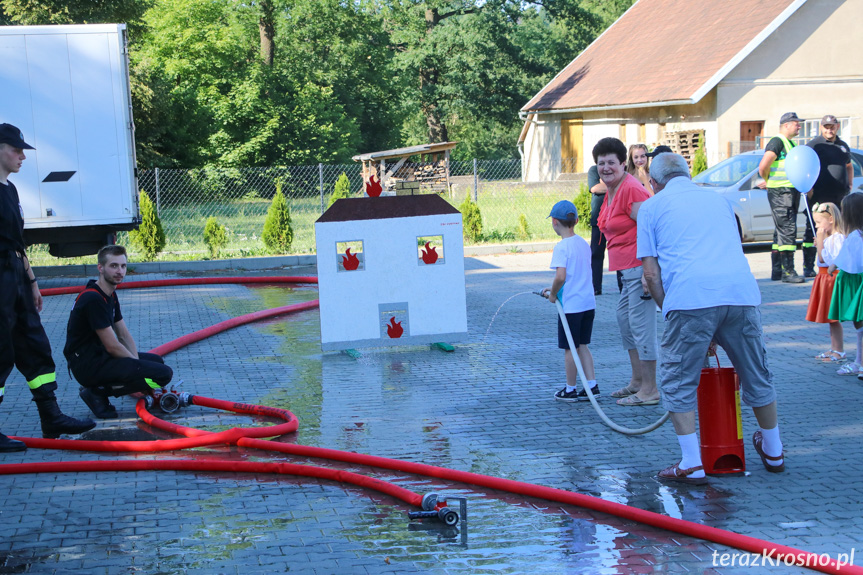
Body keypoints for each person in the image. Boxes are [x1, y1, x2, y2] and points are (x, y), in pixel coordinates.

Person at [639, 153, 784, 484]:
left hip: (690, 296)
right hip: (741, 294)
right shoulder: (719, 200)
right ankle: (774, 452)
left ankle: (691, 462)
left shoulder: (651, 207)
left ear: (654, 183)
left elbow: (650, 274)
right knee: (756, 372)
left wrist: (669, 309)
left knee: (678, 379)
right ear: (688, 174)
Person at [0, 123, 96, 450]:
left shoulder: (10, 191)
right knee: (0, 352)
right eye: (16, 149)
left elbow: (17, 243)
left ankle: (51, 417)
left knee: (34, 344)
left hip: (14, 277)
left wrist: (32, 283)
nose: (22, 156)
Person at [64, 245, 174, 419]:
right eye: (113, 266)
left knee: (157, 362)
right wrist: (138, 369)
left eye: (123, 266)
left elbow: (123, 334)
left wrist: (137, 365)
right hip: (88, 365)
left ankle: (104, 388)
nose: (119, 271)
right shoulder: (93, 299)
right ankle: (97, 392)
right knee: (163, 373)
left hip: (100, 357)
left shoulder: (109, 294)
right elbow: (113, 346)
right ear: (100, 268)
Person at [594, 137, 660, 406]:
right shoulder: (611, 190)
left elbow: (651, 228)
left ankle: (651, 389)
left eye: (612, 162)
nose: (606, 167)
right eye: (601, 163)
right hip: (625, 271)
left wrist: (649, 272)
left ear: (624, 163)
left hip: (639, 269)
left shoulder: (631, 189)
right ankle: (637, 381)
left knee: (641, 326)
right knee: (625, 322)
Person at [541, 200, 598, 401]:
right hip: (588, 304)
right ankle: (592, 385)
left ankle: (570, 388)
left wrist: (554, 294)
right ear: (575, 221)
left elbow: (561, 277)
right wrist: (555, 288)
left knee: (570, 348)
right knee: (583, 345)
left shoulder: (561, 247)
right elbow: (576, 274)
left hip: (571, 307)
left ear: (555, 222)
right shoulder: (583, 243)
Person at [804, 115, 854, 278]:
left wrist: (850, 184)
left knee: (839, 231)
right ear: (821, 127)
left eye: (832, 126)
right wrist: (809, 190)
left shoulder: (843, 146)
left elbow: (848, 165)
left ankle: (838, 260)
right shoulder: (814, 145)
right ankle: (809, 265)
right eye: (826, 126)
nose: (829, 129)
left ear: (837, 127)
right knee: (815, 229)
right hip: (820, 196)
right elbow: (806, 167)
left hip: (839, 197)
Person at [758, 112, 805, 283]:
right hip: (781, 192)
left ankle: (777, 271)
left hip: (788, 191)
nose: (799, 126)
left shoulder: (790, 143)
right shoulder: (777, 142)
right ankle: (788, 272)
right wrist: (768, 180)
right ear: (786, 125)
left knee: (780, 231)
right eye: (796, 123)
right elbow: (763, 166)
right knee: (787, 229)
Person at [827, 193, 863, 379]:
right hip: (856, 282)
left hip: (857, 283)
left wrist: (835, 266)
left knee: (861, 323)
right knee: (859, 324)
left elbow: (853, 262)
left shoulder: (856, 237)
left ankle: (860, 361)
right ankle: (859, 360)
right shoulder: (854, 236)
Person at [806, 203, 845, 363]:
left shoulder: (837, 238)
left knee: (833, 318)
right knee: (829, 318)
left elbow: (825, 260)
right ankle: (834, 347)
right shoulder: (829, 238)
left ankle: (840, 350)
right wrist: (821, 242)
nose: (817, 227)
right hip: (823, 278)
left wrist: (820, 241)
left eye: (818, 223)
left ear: (830, 219)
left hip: (831, 279)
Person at [587, 164, 608, 295]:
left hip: (616, 216)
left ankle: (623, 285)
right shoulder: (594, 170)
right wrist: (613, 186)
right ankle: (595, 286)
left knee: (618, 251)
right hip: (598, 218)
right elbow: (595, 188)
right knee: (596, 253)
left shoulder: (620, 169)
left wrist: (605, 185)